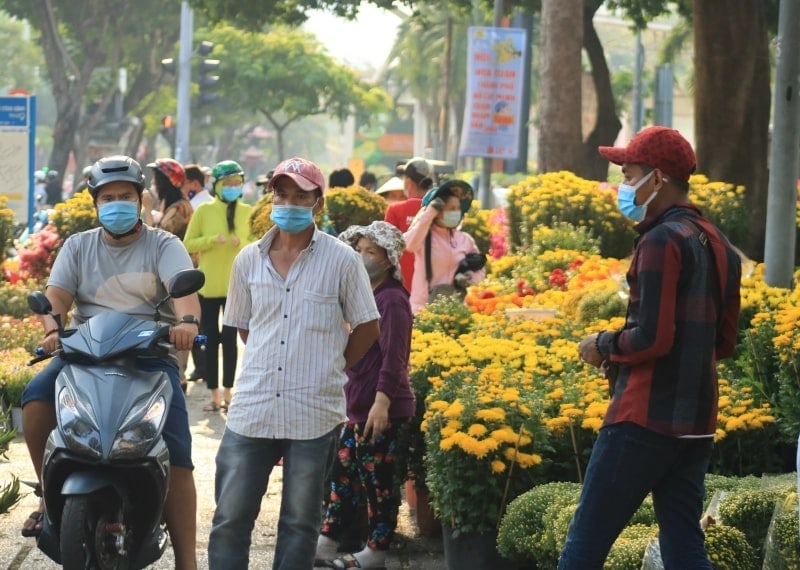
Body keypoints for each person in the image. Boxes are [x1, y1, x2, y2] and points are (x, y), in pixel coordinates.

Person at [558, 126, 742, 569]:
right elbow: (724, 341)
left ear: (656, 178)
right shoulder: (720, 244)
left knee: (584, 544)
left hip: (643, 419)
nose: (623, 182)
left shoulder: (661, 240)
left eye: (629, 172)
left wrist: (602, 345)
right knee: (684, 547)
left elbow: (651, 338)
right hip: (696, 421)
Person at [19, 155, 200, 569]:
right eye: (107, 198)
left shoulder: (163, 245)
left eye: (125, 196)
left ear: (139, 200)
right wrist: (52, 329)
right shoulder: (79, 246)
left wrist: (187, 322)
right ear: (96, 203)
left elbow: (183, 292)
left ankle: (187, 562)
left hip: (150, 358)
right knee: (35, 399)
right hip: (85, 354)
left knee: (176, 451)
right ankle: (48, 500)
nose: (116, 203)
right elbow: (56, 299)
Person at [207, 157, 380, 569]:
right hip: (253, 407)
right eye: (282, 194)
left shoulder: (341, 259)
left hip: (314, 410)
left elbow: (368, 327)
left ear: (317, 203)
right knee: (230, 518)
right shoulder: (248, 259)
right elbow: (245, 327)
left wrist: (330, 365)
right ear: (271, 198)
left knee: (300, 522)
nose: (290, 203)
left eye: (301, 196)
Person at [315, 221, 415, 570]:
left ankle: (377, 551)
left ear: (388, 260)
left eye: (371, 252)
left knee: (379, 485)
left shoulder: (392, 299)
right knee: (342, 477)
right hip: (355, 405)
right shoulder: (362, 294)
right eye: (359, 249)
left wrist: (382, 402)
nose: (362, 256)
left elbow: (395, 356)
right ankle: (326, 541)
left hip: (380, 407)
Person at [183, 160, 254, 412]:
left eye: (237, 183)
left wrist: (242, 243)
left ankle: (228, 393)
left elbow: (259, 245)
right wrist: (213, 240)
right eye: (229, 184)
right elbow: (188, 243)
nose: (234, 188)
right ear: (218, 185)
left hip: (237, 288)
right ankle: (213, 395)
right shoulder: (204, 211)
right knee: (211, 340)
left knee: (231, 341)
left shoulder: (248, 212)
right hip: (209, 287)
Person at [403, 179, 485, 314]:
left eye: (458, 209)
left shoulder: (465, 239)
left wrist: (470, 277)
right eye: (451, 209)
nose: (456, 213)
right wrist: (429, 213)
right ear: (438, 212)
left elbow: (480, 268)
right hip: (423, 309)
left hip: (455, 310)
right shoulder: (423, 236)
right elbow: (409, 245)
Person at [384, 157, 435, 291]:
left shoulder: (395, 210)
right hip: (432, 287)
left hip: (401, 287)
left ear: (409, 183)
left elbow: (387, 249)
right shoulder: (439, 211)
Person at [142, 158, 192, 240]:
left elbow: (156, 239)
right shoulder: (170, 205)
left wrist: (148, 207)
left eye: (155, 179)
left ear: (165, 182)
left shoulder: (179, 209)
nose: (152, 182)